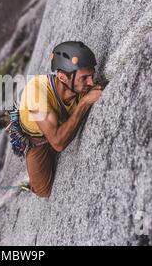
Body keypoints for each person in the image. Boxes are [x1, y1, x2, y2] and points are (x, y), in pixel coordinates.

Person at [18, 41, 103, 198]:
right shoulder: (35, 93)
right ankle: (29, 185)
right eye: (85, 78)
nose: (91, 82)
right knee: (43, 191)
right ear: (63, 77)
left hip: (55, 122)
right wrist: (84, 103)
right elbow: (58, 143)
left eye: (92, 75)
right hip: (38, 140)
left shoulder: (79, 85)